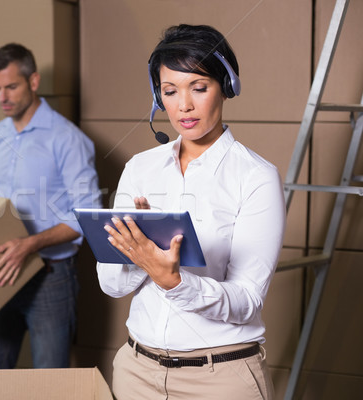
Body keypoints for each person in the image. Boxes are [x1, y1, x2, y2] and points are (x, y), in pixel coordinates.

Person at [97, 25, 285, 399]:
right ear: (158, 97)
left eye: (199, 88)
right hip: (137, 372)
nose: (183, 105)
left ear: (226, 87)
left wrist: (174, 281)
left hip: (221, 378)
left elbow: (246, 301)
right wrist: (141, 255)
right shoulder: (140, 168)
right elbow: (111, 284)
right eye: (170, 91)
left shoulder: (256, 177)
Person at [0, 43, 101, 369]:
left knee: (50, 385)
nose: (3, 96)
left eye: (11, 86)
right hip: (0, 271)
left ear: (33, 81)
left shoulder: (66, 138)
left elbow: (87, 214)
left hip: (50, 277)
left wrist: (31, 244)